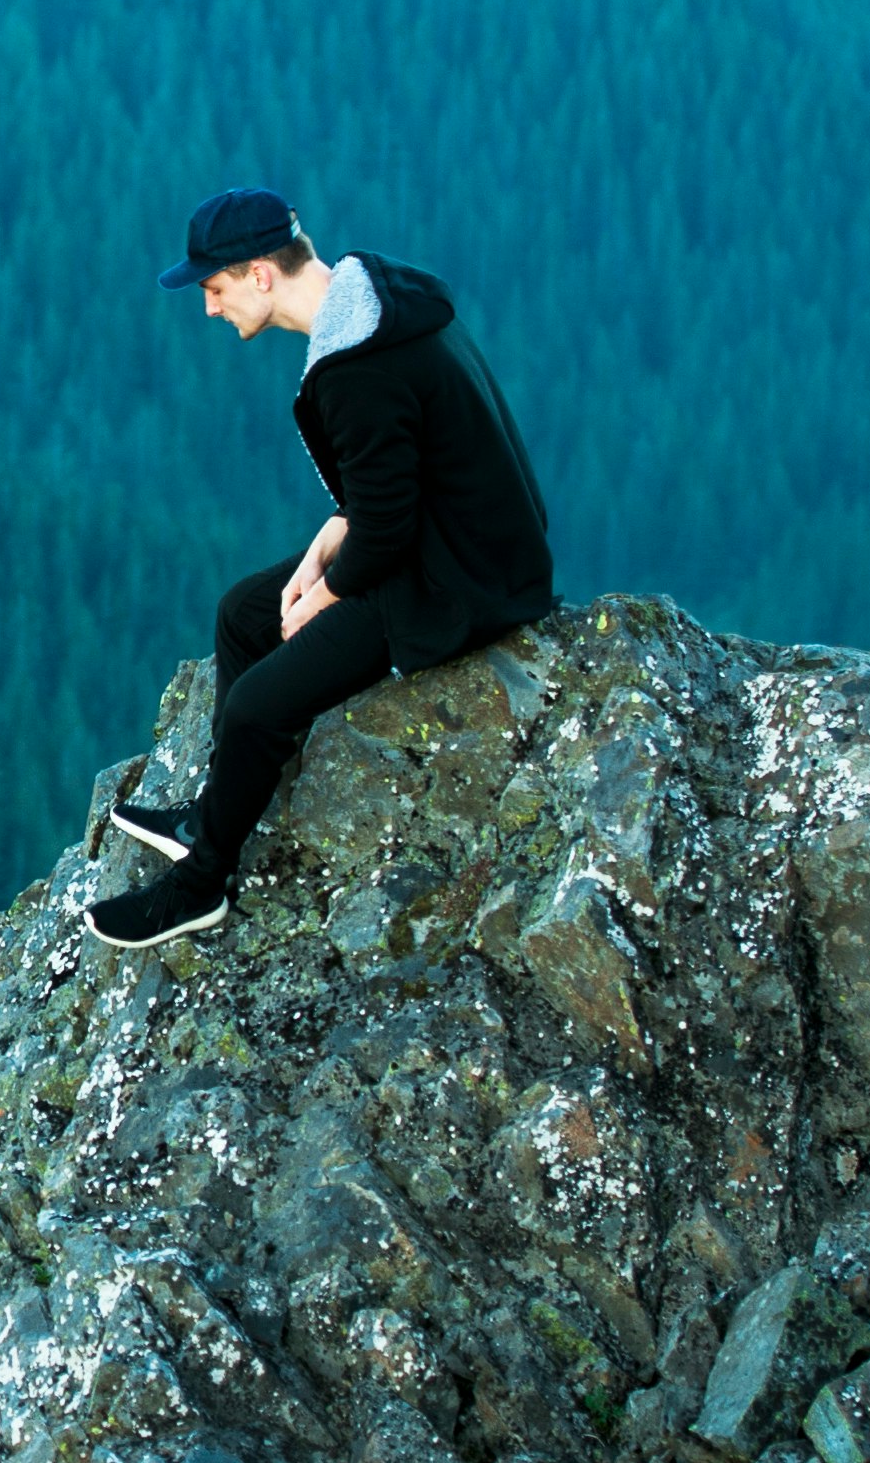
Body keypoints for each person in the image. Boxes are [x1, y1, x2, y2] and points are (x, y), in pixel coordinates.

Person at [87, 187, 556, 949]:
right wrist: (317, 555)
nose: (208, 309)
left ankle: (198, 887)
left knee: (258, 706)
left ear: (259, 275)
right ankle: (214, 811)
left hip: (458, 581)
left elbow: (388, 529)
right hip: (455, 540)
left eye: (213, 288)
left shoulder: (354, 369)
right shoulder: (375, 298)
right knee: (244, 612)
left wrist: (324, 598)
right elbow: (391, 480)